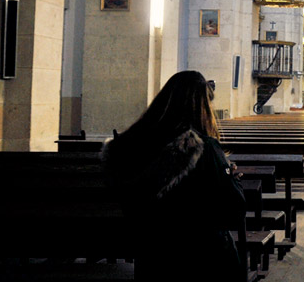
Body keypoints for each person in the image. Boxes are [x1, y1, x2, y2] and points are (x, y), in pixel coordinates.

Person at [102, 72, 245, 282]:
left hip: (154, 258)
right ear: (202, 107)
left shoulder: (127, 148)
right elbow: (235, 209)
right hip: (202, 260)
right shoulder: (204, 148)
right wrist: (230, 176)